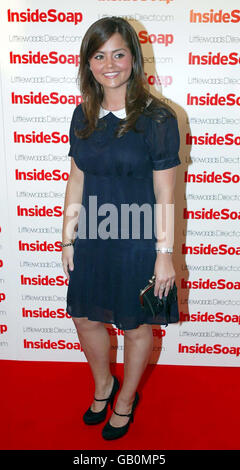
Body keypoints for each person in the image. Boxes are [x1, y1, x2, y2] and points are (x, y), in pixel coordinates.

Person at [61, 16, 181, 440]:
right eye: (99, 55)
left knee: (133, 326)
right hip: (93, 236)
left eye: (118, 53)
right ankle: (103, 385)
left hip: (138, 240)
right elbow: (76, 179)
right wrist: (68, 235)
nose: (109, 64)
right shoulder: (83, 114)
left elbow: (166, 195)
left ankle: (127, 399)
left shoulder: (159, 119)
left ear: (133, 57)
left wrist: (164, 255)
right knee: (84, 319)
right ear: (88, 63)